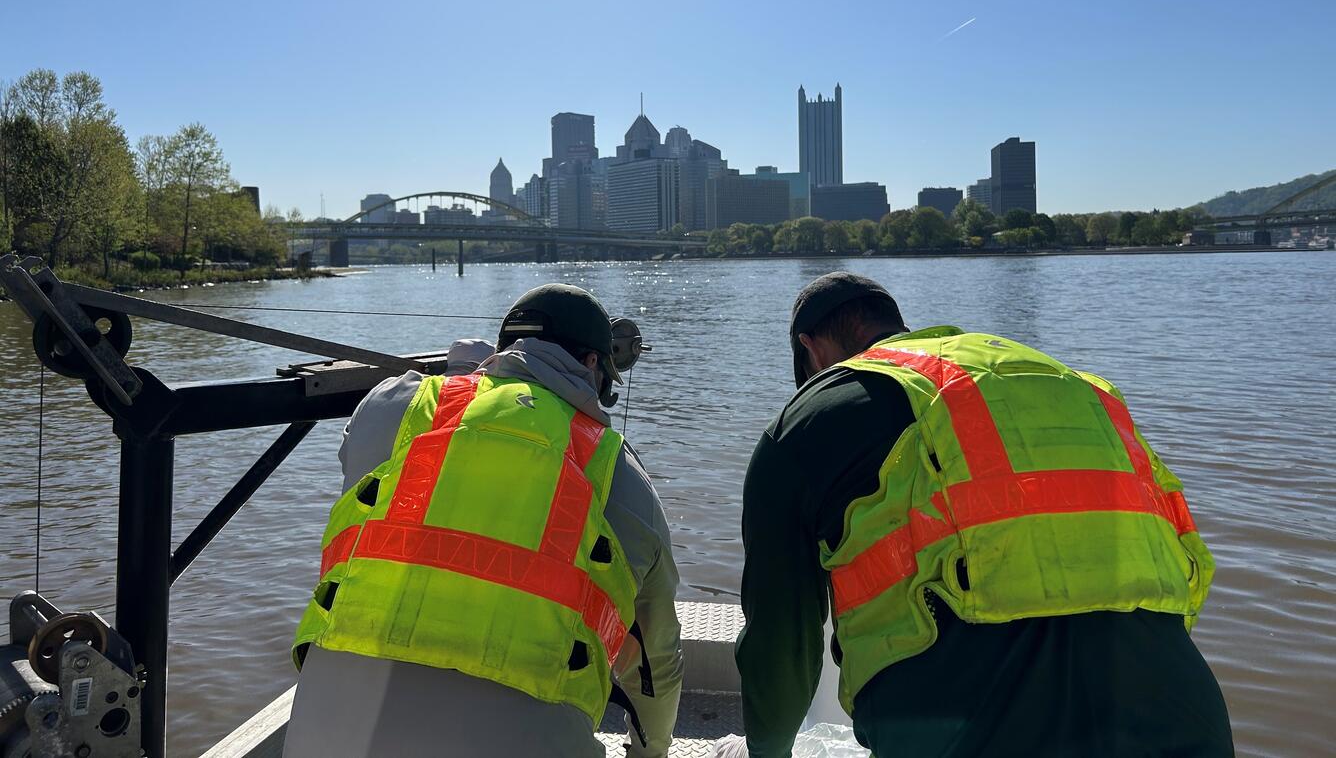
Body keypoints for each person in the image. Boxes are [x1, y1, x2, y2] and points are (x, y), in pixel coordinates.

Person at [734, 272, 1233, 757]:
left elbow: (781, 645)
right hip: (1182, 714)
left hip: (965, 731)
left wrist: (768, 751)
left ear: (811, 348)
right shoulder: (1065, 380)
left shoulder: (806, 420)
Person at [285, 284, 684, 758]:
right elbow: (655, 662)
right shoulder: (624, 479)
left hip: (324, 741)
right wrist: (650, 752)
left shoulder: (391, 405)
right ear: (593, 365)